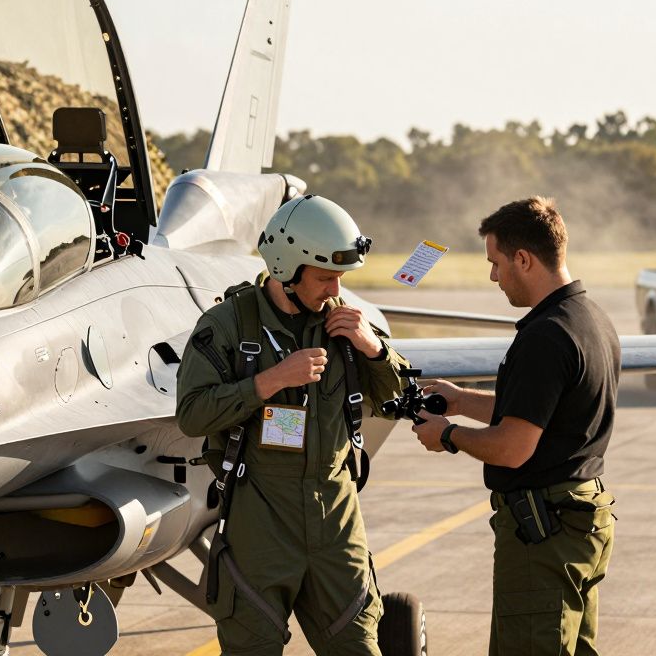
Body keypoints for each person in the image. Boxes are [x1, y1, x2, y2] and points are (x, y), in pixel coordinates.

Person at [176, 194, 409, 656]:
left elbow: (398, 401)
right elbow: (193, 414)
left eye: (340, 277)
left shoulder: (346, 325)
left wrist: (374, 349)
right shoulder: (226, 326)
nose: (335, 288)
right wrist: (269, 381)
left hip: (336, 523)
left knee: (359, 648)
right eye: (324, 277)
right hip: (261, 523)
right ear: (286, 268)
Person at [412, 196, 619, 656]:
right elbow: (539, 415)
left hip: (544, 537)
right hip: (581, 522)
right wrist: (462, 400)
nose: (493, 276)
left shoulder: (545, 336)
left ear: (523, 259)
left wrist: (446, 435)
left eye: (496, 263)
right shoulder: (591, 318)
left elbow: (513, 447)